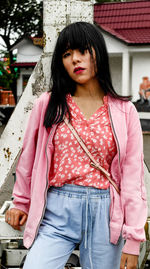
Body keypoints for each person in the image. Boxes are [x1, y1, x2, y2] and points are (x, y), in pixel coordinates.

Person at [5, 22, 147, 269]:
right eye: (66, 54)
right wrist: (21, 202)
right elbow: (28, 159)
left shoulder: (125, 112)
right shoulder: (48, 104)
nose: (74, 60)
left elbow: (132, 179)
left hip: (105, 215)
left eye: (82, 51)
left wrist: (133, 240)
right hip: (57, 212)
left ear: (98, 53)